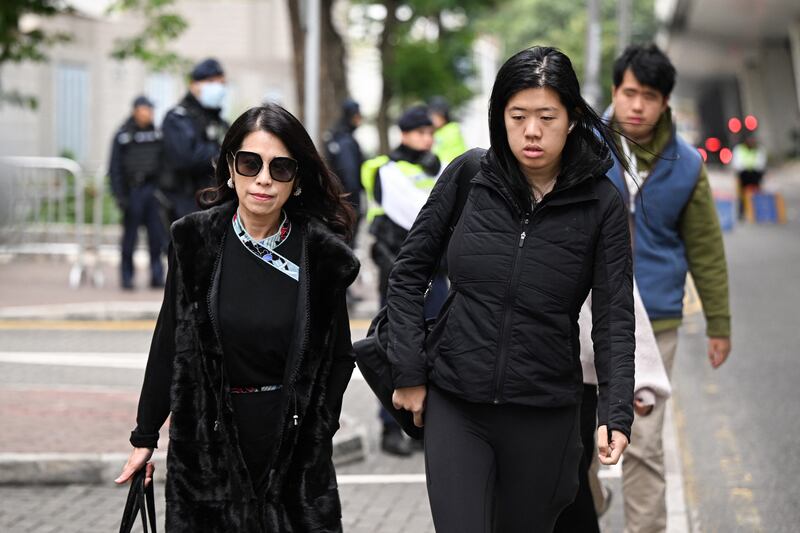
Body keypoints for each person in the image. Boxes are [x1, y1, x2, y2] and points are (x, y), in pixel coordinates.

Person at [387, 46, 635, 532]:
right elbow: (407, 274)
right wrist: (409, 372)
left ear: (571, 118)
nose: (532, 131)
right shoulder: (469, 176)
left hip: (545, 412)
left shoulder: (600, 203)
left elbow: (613, 315)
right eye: (517, 115)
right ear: (499, 117)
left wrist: (616, 410)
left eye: (547, 115)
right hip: (457, 402)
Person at [115, 104, 359, 531]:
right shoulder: (195, 240)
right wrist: (144, 437)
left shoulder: (322, 254)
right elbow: (169, 341)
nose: (263, 179)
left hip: (294, 449)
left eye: (280, 168)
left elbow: (340, 355)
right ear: (231, 167)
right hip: (206, 447)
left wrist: (319, 428)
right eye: (250, 163)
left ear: (297, 180)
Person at [605, 43, 732, 533]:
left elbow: (705, 248)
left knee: (644, 442)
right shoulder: (583, 146)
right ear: (615, 92)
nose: (637, 106)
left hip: (655, 323)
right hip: (582, 316)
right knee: (572, 441)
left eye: (649, 96)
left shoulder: (687, 163)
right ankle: (584, 504)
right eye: (629, 93)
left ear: (665, 103)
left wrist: (718, 323)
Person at [554, 282, 672, 532]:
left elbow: (616, 294)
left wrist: (641, 380)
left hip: (576, 378)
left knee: (569, 492)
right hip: (501, 380)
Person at [361, 105, 443, 456]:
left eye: (430, 133)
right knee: (394, 346)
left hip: (436, 268)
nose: (427, 139)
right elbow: (414, 212)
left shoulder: (436, 166)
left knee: (437, 344)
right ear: (404, 133)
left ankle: (430, 423)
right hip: (398, 269)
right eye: (420, 132)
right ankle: (390, 426)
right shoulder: (383, 168)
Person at [108, 95, 166, 290]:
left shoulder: (157, 134)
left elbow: (164, 165)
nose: (149, 113)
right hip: (132, 190)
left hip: (152, 191)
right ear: (136, 111)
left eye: (151, 110)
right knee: (129, 239)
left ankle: (157, 276)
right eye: (145, 109)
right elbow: (115, 168)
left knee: (156, 238)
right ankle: (126, 277)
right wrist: (120, 196)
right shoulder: (123, 134)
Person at [161, 58, 230, 220]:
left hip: (214, 202)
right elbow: (186, 157)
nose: (219, 88)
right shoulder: (177, 118)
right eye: (212, 82)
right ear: (194, 85)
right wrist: (220, 153)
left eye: (222, 83)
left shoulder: (220, 121)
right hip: (184, 203)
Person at [324, 98, 365, 248]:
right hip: (346, 203)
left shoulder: (335, 137)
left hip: (339, 200)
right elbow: (349, 174)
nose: (359, 120)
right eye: (357, 116)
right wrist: (355, 205)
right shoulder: (345, 141)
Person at [732, 133, 767, 218]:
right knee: (742, 195)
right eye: (749, 140)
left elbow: (761, 163)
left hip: (756, 174)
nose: (751, 142)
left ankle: (757, 213)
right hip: (743, 174)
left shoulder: (759, 149)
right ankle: (742, 213)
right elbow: (737, 163)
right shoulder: (739, 149)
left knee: (757, 194)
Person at [428, 96, 468, 166]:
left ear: (444, 115)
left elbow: (449, 156)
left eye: (437, 115)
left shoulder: (452, 130)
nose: (434, 119)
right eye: (432, 115)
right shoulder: (438, 131)